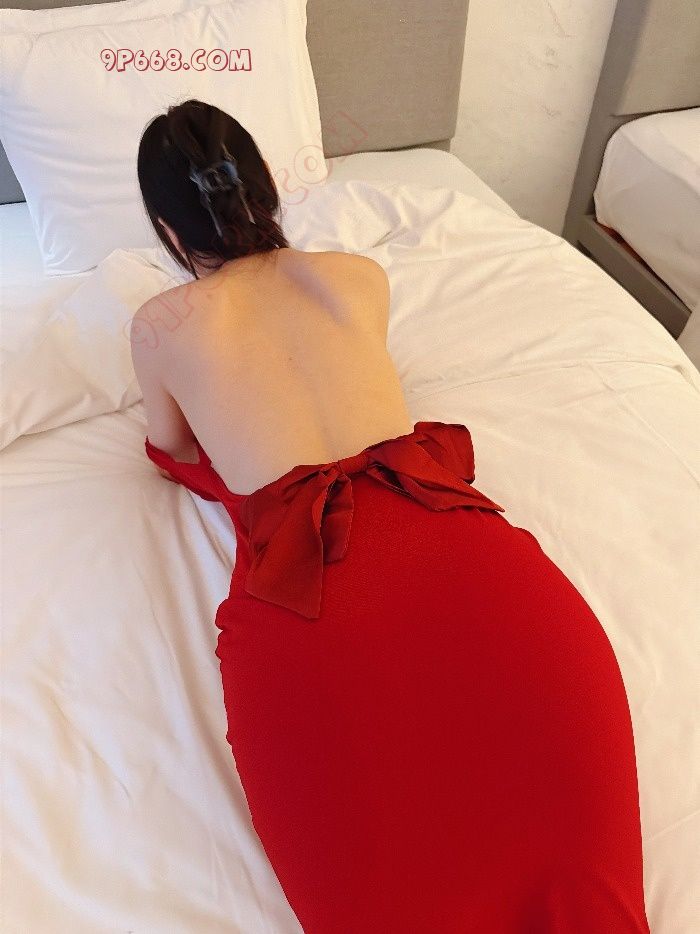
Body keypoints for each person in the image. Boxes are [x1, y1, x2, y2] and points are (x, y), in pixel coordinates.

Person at [132, 99, 650, 932]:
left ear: (166, 227)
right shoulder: (357, 277)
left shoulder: (161, 326)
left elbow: (169, 448)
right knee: (578, 883)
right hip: (461, 548)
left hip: (312, 595)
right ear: (266, 187)